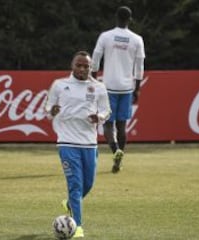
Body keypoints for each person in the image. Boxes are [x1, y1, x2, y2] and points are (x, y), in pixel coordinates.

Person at [45, 51, 111, 238]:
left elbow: (106, 111)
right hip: (66, 142)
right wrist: (53, 110)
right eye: (78, 65)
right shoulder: (59, 85)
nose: (82, 69)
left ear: (91, 67)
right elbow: (48, 110)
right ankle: (78, 227)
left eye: (86, 66)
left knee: (88, 184)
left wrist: (98, 117)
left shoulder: (98, 87)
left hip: (89, 143)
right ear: (72, 65)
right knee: (75, 185)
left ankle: (70, 204)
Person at [91, 6, 145, 173]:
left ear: (116, 18)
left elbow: (95, 60)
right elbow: (139, 67)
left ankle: (115, 151)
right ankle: (119, 156)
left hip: (108, 87)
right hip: (126, 88)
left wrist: (93, 81)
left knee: (108, 124)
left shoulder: (106, 36)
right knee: (122, 126)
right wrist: (137, 89)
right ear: (130, 20)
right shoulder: (137, 39)